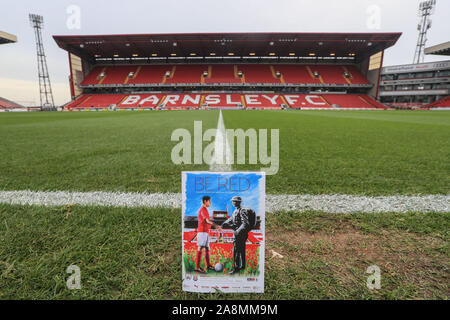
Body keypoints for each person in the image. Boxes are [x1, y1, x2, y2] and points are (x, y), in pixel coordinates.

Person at [221, 196, 254, 275]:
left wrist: (238, 231)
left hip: (240, 233)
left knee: (236, 250)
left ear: (238, 202)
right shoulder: (235, 211)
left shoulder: (242, 211)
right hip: (240, 233)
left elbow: (245, 223)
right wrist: (224, 223)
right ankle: (242, 266)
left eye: (235, 201)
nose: (233, 203)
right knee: (242, 249)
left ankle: (236, 268)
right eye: (233, 201)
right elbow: (231, 219)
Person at [195, 196, 222, 273]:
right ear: (205, 201)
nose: (210, 203)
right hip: (202, 231)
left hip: (205, 232)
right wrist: (216, 225)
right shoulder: (203, 210)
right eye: (209, 201)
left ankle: (208, 265)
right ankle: (197, 267)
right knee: (200, 248)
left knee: (207, 248)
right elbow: (207, 221)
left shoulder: (205, 210)